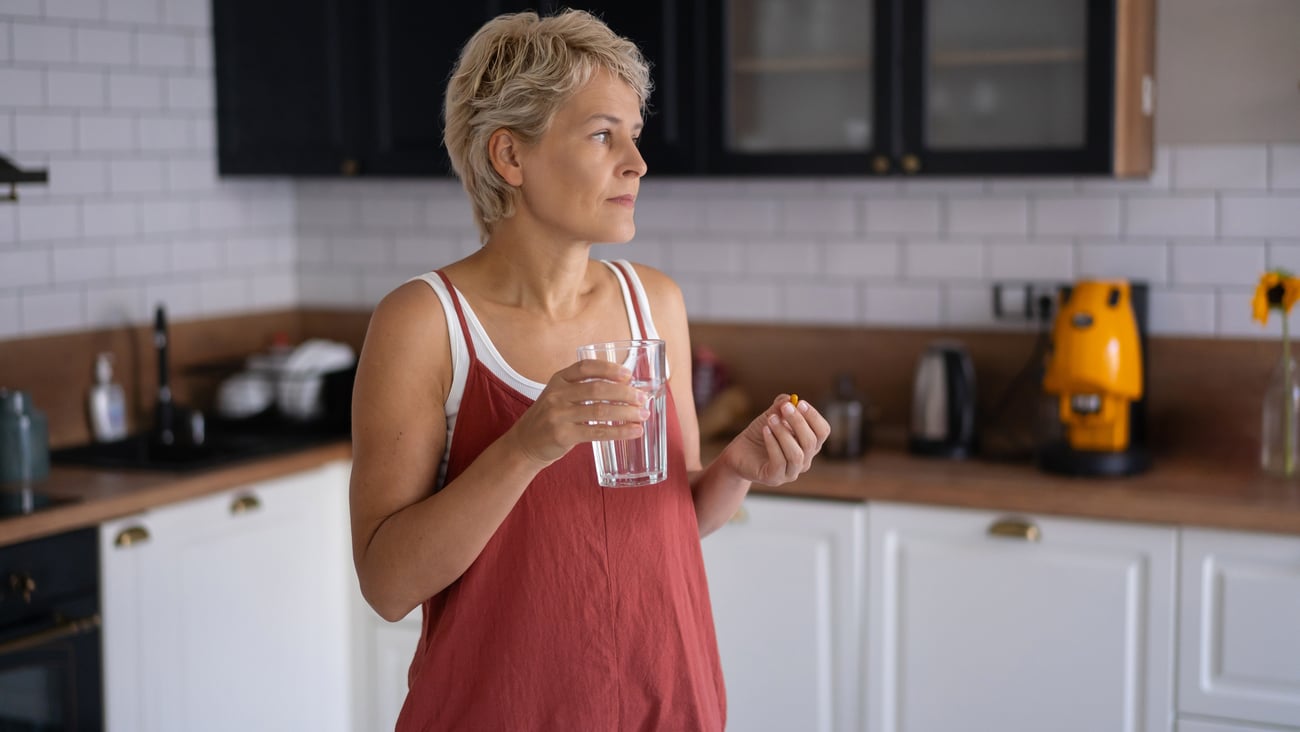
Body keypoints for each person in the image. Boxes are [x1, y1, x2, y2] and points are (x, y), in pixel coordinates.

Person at [348, 9, 830, 731]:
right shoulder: (425, 322)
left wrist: (738, 469)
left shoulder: (654, 302)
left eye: (634, 135)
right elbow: (387, 585)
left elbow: (672, 522)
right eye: (604, 134)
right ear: (510, 158)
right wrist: (526, 445)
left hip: (664, 703)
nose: (637, 162)